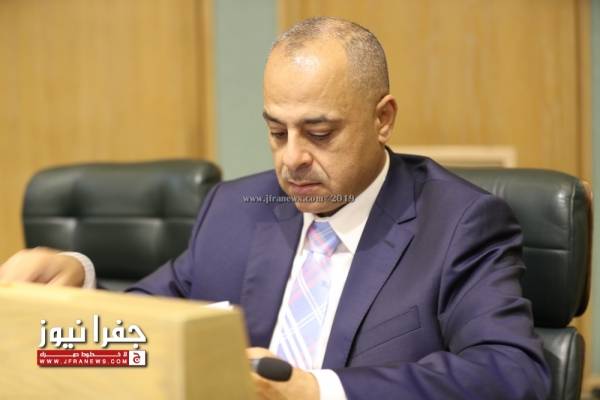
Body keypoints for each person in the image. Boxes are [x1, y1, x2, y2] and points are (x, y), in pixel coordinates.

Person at [0, 17, 550, 400]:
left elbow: (512, 373)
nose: (292, 159)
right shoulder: (237, 208)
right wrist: (79, 281)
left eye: (319, 133)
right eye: (276, 132)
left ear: (382, 118)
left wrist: (317, 390)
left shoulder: (458, 223)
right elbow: (149, 331)